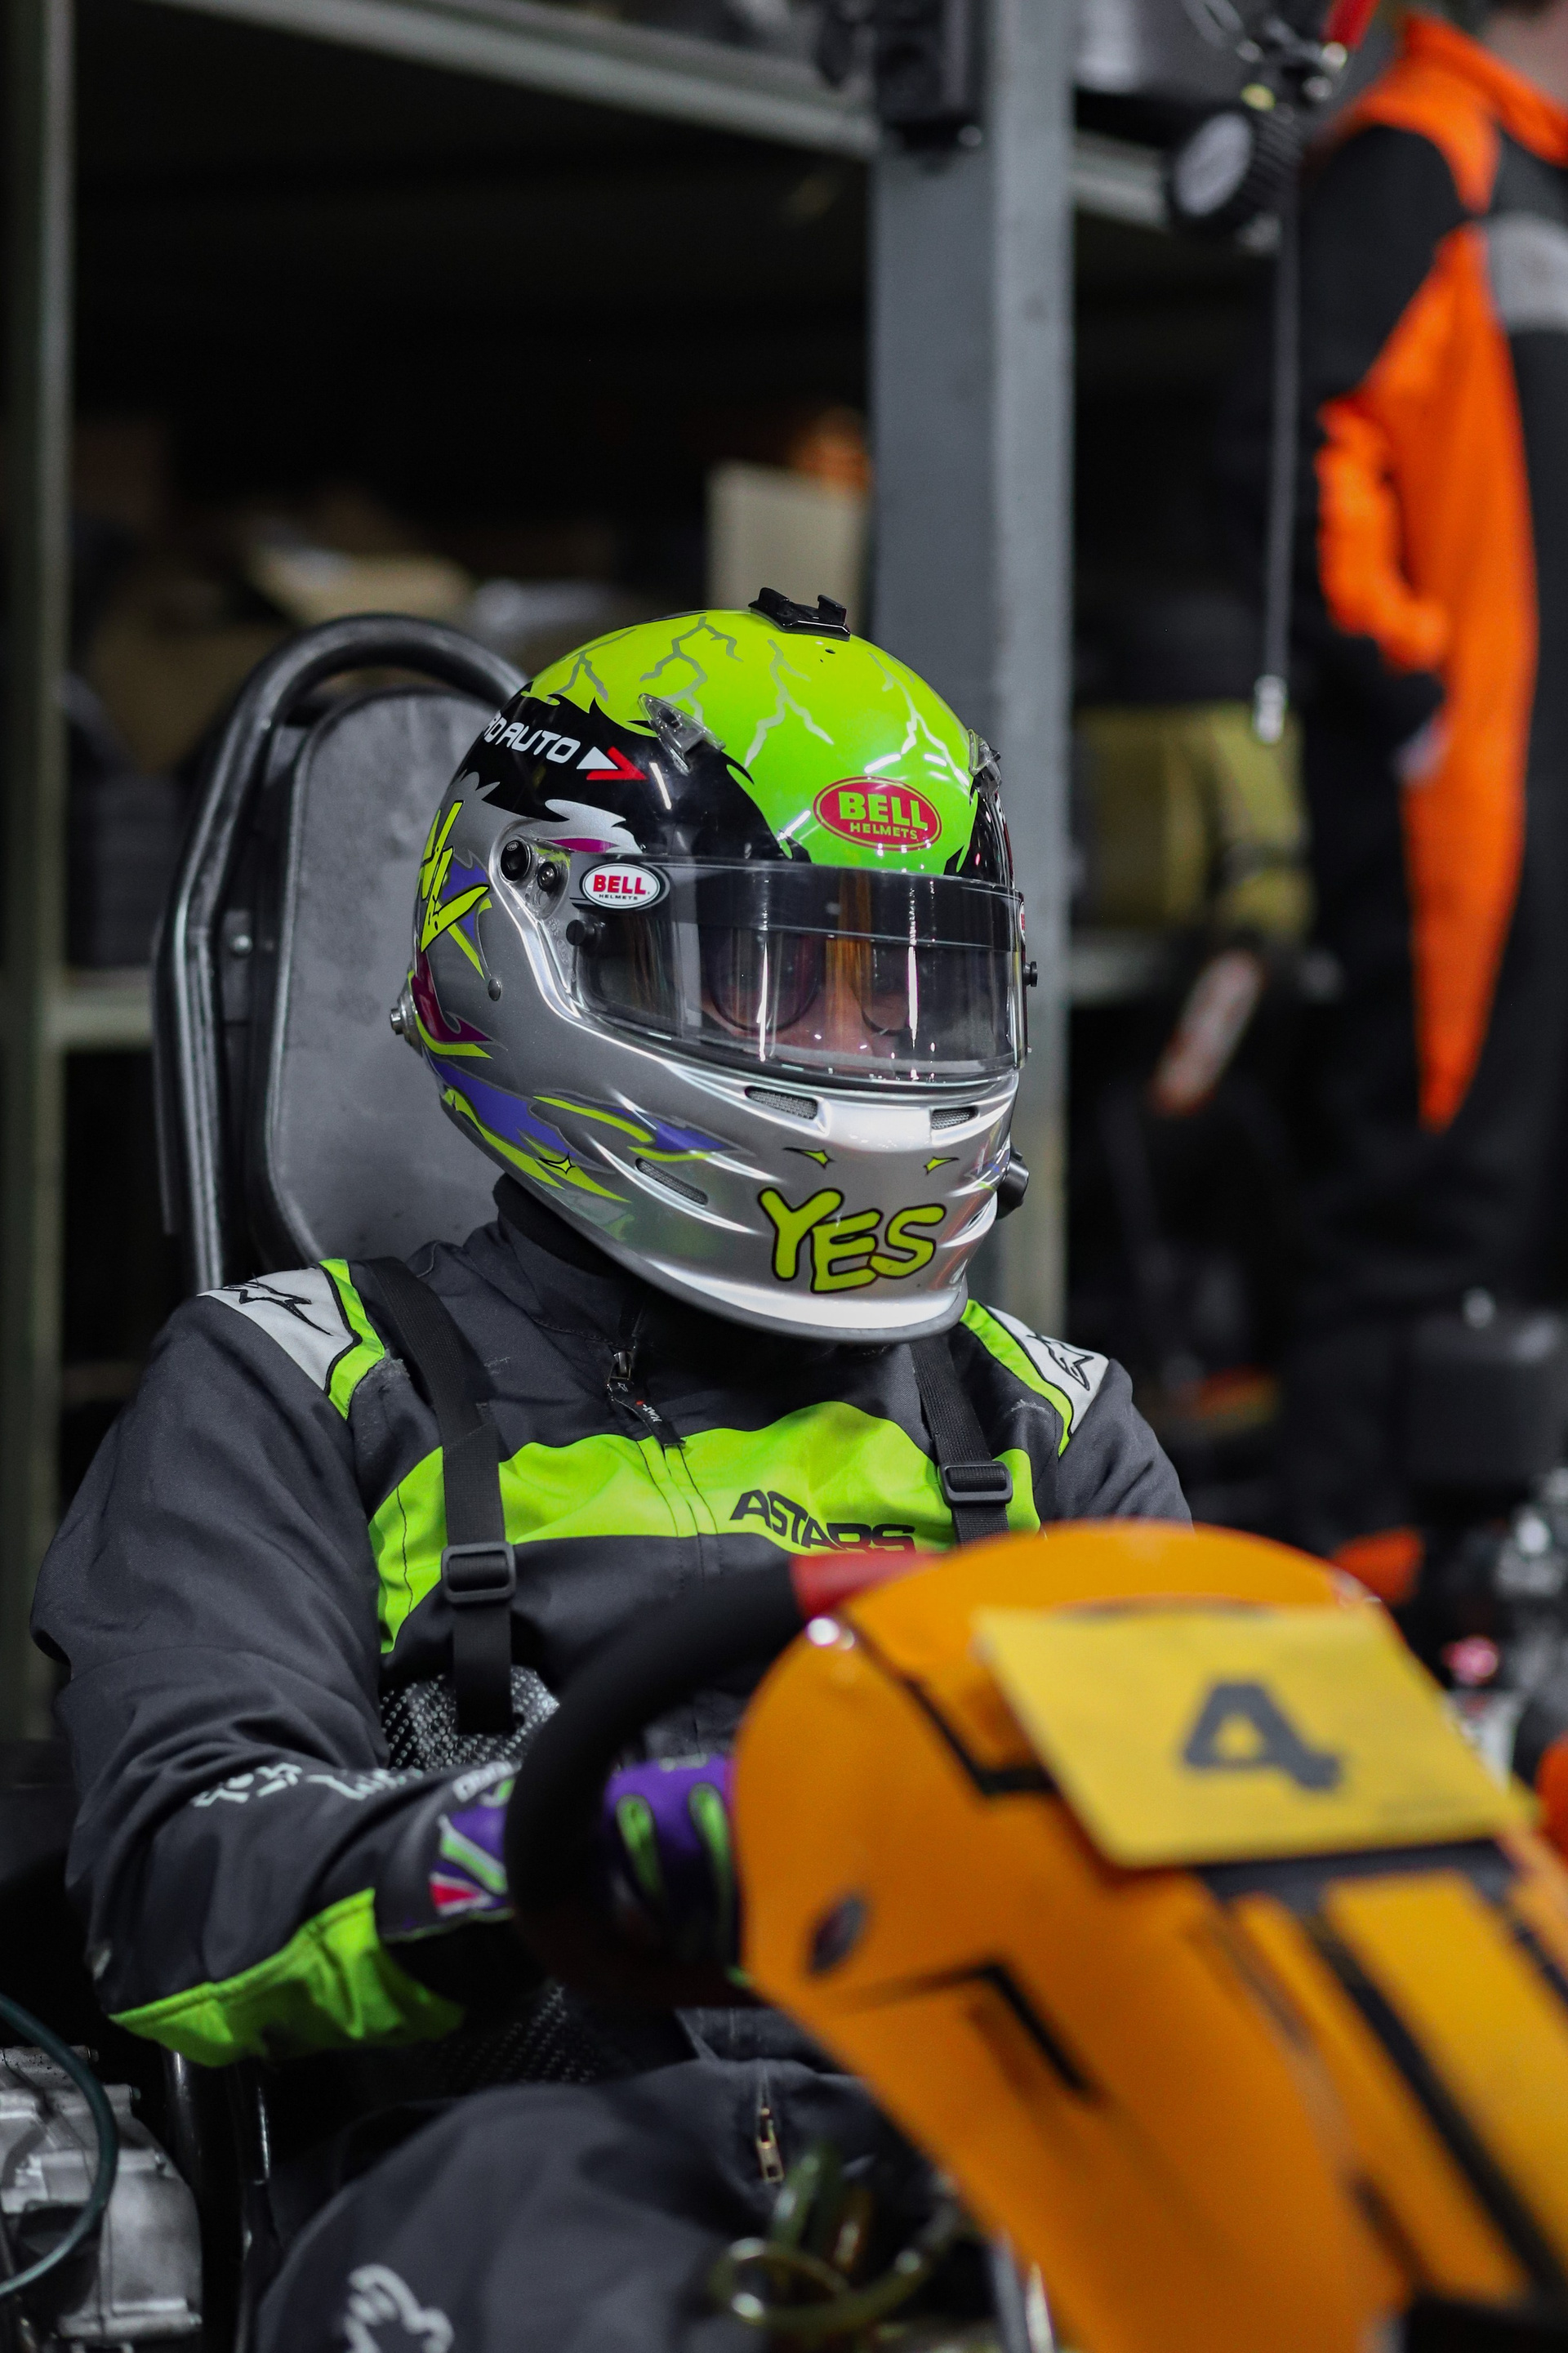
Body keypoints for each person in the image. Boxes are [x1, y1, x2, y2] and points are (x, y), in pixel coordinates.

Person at [33, 598, 1186, 2352]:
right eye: (786, 976)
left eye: (904, 988)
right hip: (535, 2202)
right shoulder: (302, 1385)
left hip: (985, 2202)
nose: (864, 1048)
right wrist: (564, 1846)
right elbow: (182, 1891)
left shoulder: (1047, 1425)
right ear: (552, 945)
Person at [1221, 0, 1568, 1565]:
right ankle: (1354, 1608)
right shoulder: (1418, 159)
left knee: (1524, 1220)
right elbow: (1292, 448)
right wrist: (1417, 699)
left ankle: (1502, 1607)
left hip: (1536, 808)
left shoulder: (1536, 182)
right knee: (1428, 1213)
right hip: (1462, 823)